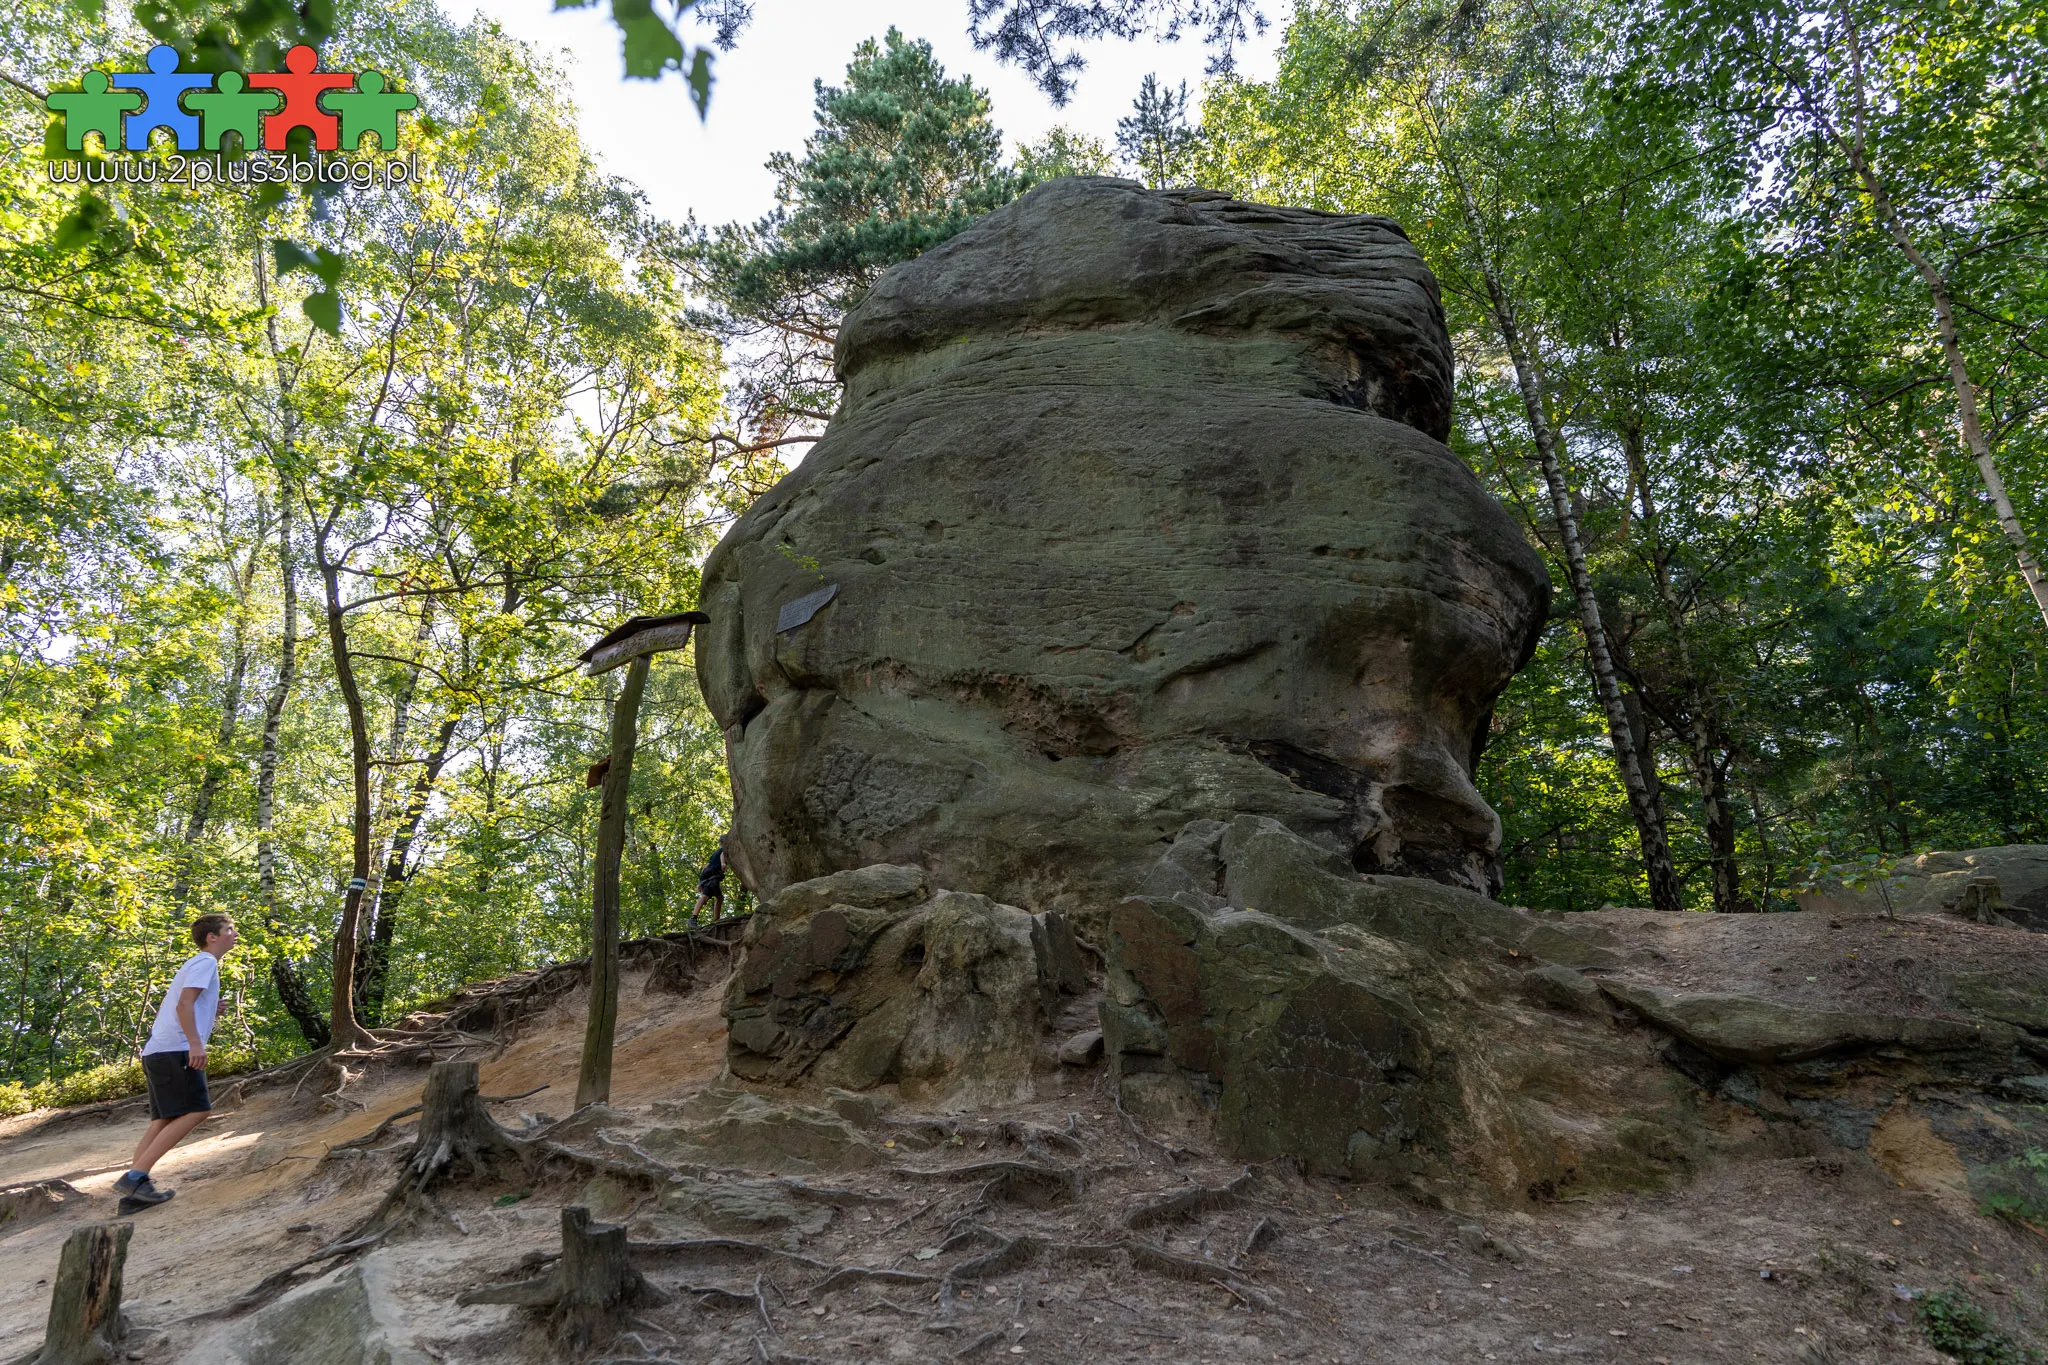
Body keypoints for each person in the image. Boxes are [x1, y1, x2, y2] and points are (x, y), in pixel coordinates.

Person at [112, 913, 238, 1215]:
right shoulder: (205, 962)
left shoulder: (199, 964)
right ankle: (134, 1178)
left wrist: (211, 1008)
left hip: (159, 1050)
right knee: (199, 1110)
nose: (234, 934)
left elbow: (187, 1003)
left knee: (164, 1119)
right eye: (229, 930)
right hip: (176, 1049)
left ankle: (136, 1191)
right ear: (212, 937)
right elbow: (183, 1004)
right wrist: (195, 1044)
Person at [690, 834, 729, 924]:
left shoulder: (714, 853)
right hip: (713, 876)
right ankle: (716, 921)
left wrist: (700, 882)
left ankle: (693, 918)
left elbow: (706, 866)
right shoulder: (723, 850)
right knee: (719, 898)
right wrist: (723, 863)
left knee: (705, 896)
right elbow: (722, 854)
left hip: (706, 876)